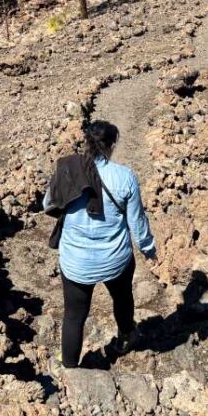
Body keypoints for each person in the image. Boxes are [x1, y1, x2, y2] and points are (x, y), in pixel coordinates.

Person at [43, 120, 157, 368]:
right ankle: (126, 336)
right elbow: (136, 222)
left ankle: (70, 365)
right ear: (112, 144)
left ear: (86, 141)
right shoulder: (125, 176)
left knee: (73, 316)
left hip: (76, 262)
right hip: (115, 259)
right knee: (123, 297)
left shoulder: (67, 169)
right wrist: (148, 248)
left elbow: (47, 205)